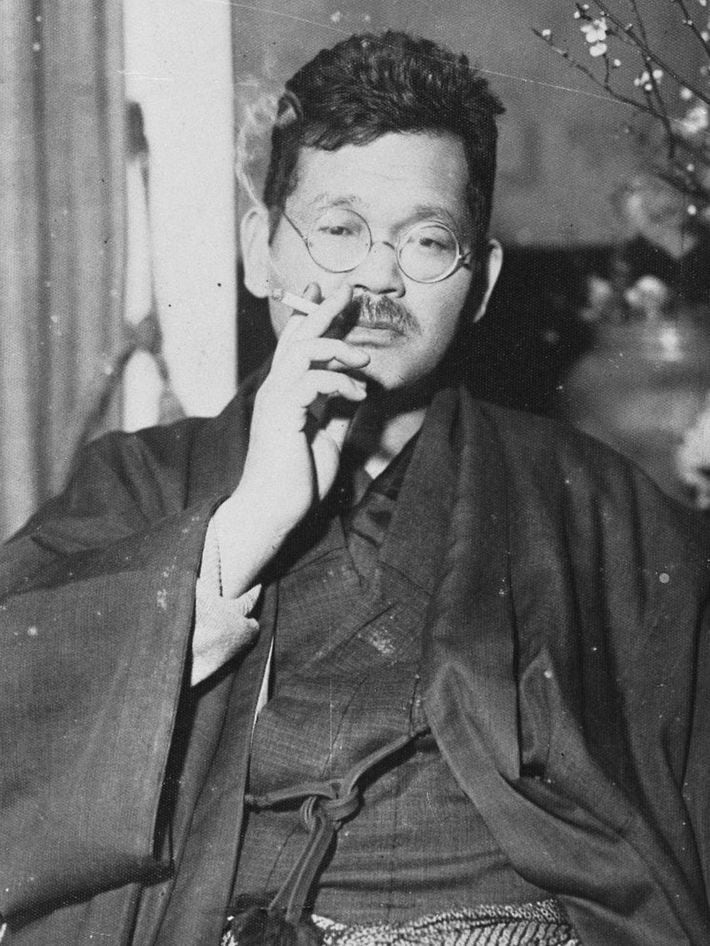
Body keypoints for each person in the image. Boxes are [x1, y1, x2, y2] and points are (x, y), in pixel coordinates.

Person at [1, 30, 709, 946]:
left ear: (482, 282)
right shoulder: (138, 482)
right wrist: (244, 529)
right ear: (260, 251)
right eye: (339, 230)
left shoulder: (597, 504)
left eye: (428, 241)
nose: (379, 275)